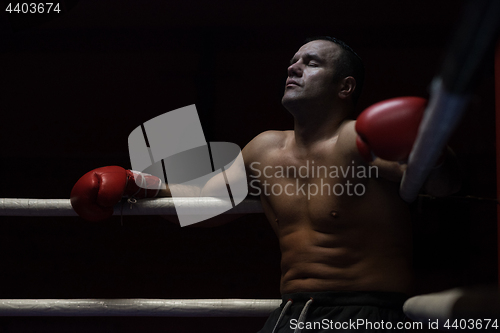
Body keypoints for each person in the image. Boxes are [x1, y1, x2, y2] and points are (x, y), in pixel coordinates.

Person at [71, 36, 461, 332]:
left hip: (368, 309)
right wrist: (140, 184)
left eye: (311, 64)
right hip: (293, 311)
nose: (294, 68)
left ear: (345, 87)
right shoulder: (264, 148)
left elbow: (442, 186)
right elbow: (206, 203)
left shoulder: (359, 137)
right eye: (292, 62)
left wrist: (435, 153)